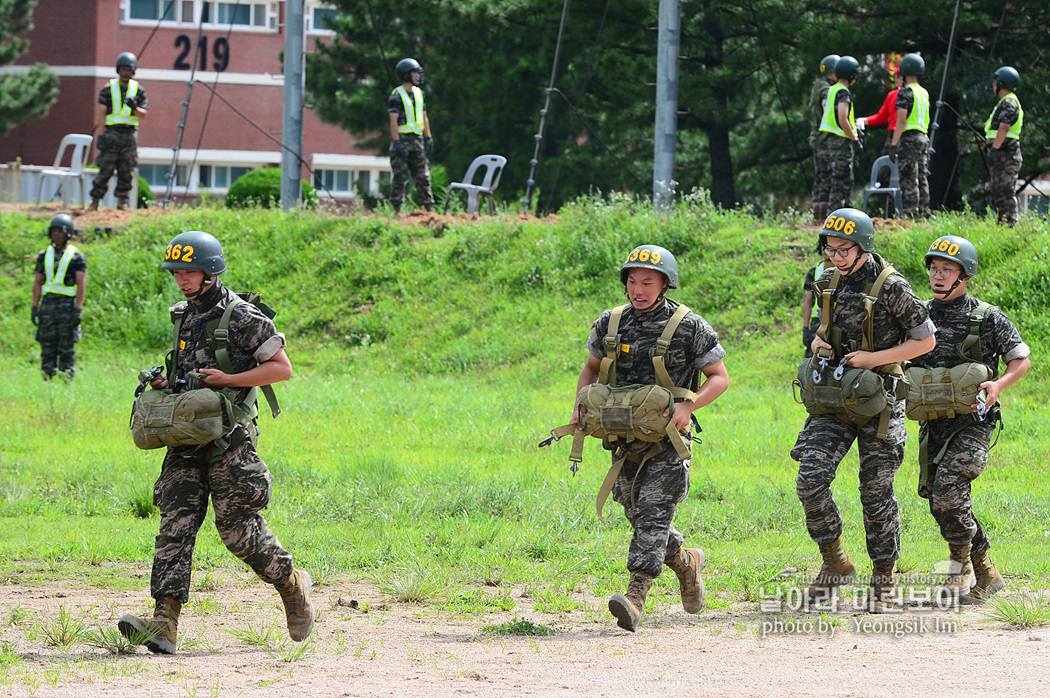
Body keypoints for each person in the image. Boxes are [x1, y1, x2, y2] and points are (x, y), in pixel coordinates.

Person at [118, 231, 313, 654]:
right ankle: (164, 623)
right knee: (175, 526)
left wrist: (231, 380)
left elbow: (282, 369)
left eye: (189, 272)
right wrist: (167, 383)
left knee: (238, 532)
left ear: (210, 271)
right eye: (176, 273)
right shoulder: (182, 316)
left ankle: (291, 584)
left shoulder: (243, 316)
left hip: (230, 441)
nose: (182, 280)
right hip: (186, 438)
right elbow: (191, 371)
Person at [572, 245, 729, 632]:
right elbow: (591, 369)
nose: (637, 289)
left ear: (664, 284)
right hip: (623, 440)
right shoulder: (610, 323)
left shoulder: (690, 326)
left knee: (654, 513)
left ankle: (635, 595)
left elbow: (719, 377)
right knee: (637, 512)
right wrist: (579, 408)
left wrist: (688, 408)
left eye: (647, 282)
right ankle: (686, 562)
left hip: (668, 442)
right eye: (632, 281)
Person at [793, 208, 935, 613]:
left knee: (876, 495)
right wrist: (820, 344)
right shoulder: (826, 280)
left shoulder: (892, 287)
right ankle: (835, 562)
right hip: (835, 398)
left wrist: (875, 358)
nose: (835, 257)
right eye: (830, 249)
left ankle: (883, 581)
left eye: (843, 249)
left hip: (882, 403)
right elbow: (825, 331)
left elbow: (925, 341)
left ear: (864, 245)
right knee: (810, 481)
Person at [912, 235, 1030, 603]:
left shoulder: (987, 316)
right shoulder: (920, 313)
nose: (938, 274)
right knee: (938, 499)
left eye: (947, 269)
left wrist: (999, 384)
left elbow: (1021, 359)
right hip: (932, 422)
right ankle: (986, 570)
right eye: (934, 268)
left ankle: (958, 566)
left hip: (973, 422)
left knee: (949, 490)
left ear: (965, 276)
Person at [89, 52, 148, 211]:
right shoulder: (107, 89)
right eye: (123, 69)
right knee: (105, 169)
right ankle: (95, 201)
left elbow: (143, 114)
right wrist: (100, 136)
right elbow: (101, 113)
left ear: (133, 71)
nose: (126, 73)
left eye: (129, 70)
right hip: (111, 135)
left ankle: (122, 201)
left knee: (126, 170)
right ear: (118, 70)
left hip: (129, 136)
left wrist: (134, 107)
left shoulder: (138, 90)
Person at [31, 213, 86, 381]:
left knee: (66, 346)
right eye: (53, 231)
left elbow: (81, 284)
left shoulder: (76, 256)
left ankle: (66, 380)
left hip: (67, 308)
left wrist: (78, 310)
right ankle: (47, 379)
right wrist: (35, 307)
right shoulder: (43, 255)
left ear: (68, 233)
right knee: (47, 345)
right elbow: (37, 283)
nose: (56, 234)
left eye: (60, 231)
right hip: (47, 307)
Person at [388, 57, 435, 215]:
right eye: (414, 72)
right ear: (406, 75)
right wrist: (397, 142)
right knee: (400, 176)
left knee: (423, 175)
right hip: (402, 139)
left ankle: (429, 209)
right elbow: (393, 121)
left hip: (417, 140)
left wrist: (428, 137)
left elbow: (424, 117)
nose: (418, 75)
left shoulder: (420, 94)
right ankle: (397, 211)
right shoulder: (396, 95)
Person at [887, 53, 930, 218]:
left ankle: (910, 213)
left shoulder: (904, 93)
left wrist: (893, 144)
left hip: (909, 139)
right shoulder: (924, 93)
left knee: (908, 176)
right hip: (923, 137)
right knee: (922, 175)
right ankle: (924, 212)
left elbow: (901, 120)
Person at [818, 56, 861, 212]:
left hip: (831, 139)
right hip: (841, 140)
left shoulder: (832, 89)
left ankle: (843, 210)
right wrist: (854, 138)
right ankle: (838, 212)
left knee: (841, 176)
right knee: (842, 178)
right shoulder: (843, 93)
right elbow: (843, 119)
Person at [857, 67, 903, 214]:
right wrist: (866, 120)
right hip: (892, 137)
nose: (895, 79)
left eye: (898, 76)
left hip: (905, 137)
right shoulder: (892, 95)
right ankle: (888, 213)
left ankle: (907, 212)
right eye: (895, 76)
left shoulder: (911, 95)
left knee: (907, 176)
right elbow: (882, 116)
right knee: (886, 176)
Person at [985, 66, 1024, 227]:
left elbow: (1004, 127)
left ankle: (1011, 224)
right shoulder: (1005, 102)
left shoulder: (1009, 102)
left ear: (1001, 83)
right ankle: (1003, 224)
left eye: (995, 81)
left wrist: (994, 149)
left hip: (1006, 155)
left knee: (1006, 190)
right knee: (998, 191)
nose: (993, 85)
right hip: (1003, 154)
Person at [809, 54, 839, 223]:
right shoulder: (826, 90)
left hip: (816, 137)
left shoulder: (817, 87)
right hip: (825, 138)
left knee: (820, 175)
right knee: (827, 175)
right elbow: (828, 112)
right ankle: (823, 217)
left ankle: (818, 215)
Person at [801, 242, 832, 358]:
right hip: (817, 323)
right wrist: (805, 327)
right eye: (824, 247)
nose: (825, 250)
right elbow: (808, 301)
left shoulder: (844, 271)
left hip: (837, 321)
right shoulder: (814, 272)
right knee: (810, 360)